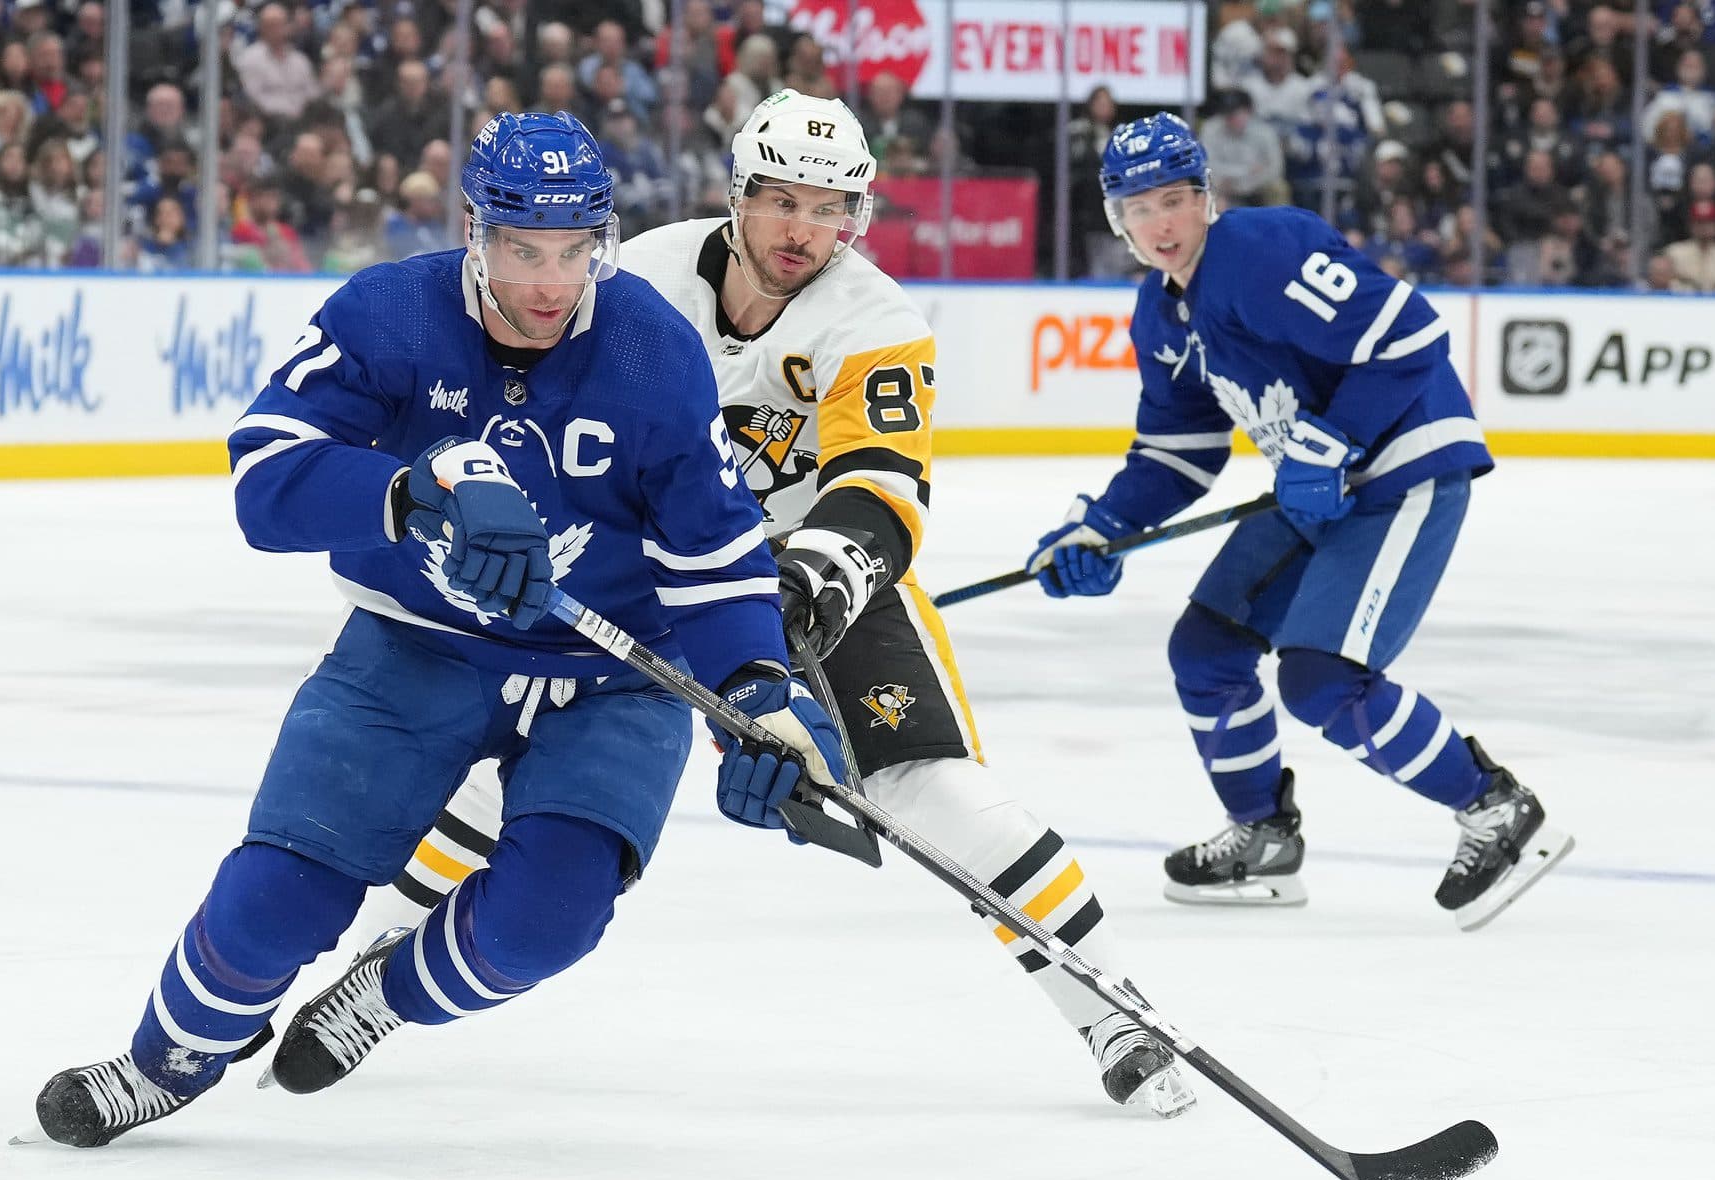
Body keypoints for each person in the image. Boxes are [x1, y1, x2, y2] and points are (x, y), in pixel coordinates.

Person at [26, 112, 845, 1148]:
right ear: (474, 230)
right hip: (414, 645)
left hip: (614, 678)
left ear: (600, 238)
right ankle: (166, 1061)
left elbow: (716, 553)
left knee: (546, 920)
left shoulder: (650, 351)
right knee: (274, 902)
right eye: (521, 251)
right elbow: (262, 476)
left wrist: (755, 694)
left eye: (572, 252)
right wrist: (409, 494)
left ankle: (386, 994)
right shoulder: (391, 314)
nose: (549, 283)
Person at [394, 91, 1198, 1118]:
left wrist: (808, 583)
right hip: (639, 560)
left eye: (831, 210)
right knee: (505, 759)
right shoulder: (636, 274)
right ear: (738, 195)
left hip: (809, 573)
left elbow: (879, 487)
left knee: (934, 791)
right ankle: (385, 947)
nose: (803, 233)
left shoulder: (875, 322)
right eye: (781, 201)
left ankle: (1109, 1010)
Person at [1025, 115, 1572, 932]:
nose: (1159, 224)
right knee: (1205, 651)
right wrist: (1097, 526)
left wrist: (1331, 442)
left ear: (1206, 198)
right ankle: (1264, 837)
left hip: (1400, 468)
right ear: (1116, 220)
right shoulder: (1160, 313)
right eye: (1137, 209)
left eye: (1173, 200)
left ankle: (1498, 810)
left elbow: (1409, 333)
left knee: (1321, 678)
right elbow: (1177, 453)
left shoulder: (1258, 250)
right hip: (1316, 485)